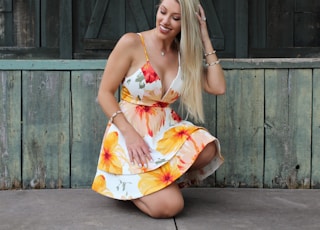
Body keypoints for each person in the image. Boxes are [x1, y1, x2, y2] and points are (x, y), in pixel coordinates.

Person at [92, 0, 226, 219]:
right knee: (170, 207)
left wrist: (204, 37)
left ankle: (154, 181)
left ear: (187, 24)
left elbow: (217, 86)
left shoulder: (184, 55)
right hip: (130, 132)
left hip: (164, 132)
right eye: (163, 12)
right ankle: (128, 185)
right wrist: (130, 135)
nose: (165, 21)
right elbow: (104, 93)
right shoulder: (132, 42)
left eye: (176, 18)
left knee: (208, 149)